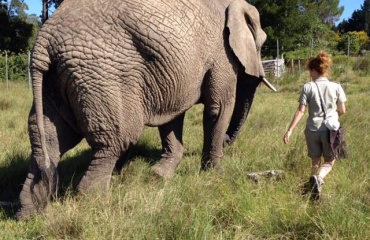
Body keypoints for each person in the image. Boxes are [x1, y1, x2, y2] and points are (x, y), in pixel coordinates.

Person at [283, 51, 347, 200]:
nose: (309, 74)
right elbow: (342, 111)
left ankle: (313, 188)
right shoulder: (336, 86)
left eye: (309, 71)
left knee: (315, 160)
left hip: (312, 130)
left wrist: (290, 130)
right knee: (330, 161)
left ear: (313, 70)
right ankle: (319, 177)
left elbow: (301, 111)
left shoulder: (308, 87)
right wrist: (332, 115)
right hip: (330, 130)